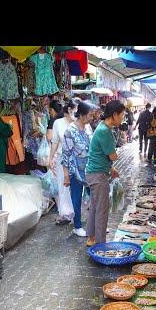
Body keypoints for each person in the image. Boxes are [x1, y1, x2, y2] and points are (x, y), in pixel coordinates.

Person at [85, 100, 124, 247]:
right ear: (114, 115)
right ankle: (101, 244)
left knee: (95, 206)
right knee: (101, 209)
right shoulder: (104, 131)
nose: (122, 118)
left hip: (95, 172)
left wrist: (111, 168)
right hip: (97, 175)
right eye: (121, 115)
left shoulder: (103, 128)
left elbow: (102, 154)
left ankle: (92, 238)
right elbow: (113, 156)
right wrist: (113, 160)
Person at [62, 101, 93, 237]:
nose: (92, 118)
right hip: (75, 171)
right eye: (90, 115)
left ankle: (94, 224)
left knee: (93, 197)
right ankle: (77, 226)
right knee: (76, 198)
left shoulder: (88, 128)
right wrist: (66, 175)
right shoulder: (70, 131)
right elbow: (66, 154)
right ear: (82, 115)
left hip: (89, 169)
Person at [48, 101, 76, 225]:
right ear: (68, 110)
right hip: (61, 159)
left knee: (76, 187)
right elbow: (55, 142)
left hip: (77, 159)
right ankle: (65, 214)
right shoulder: (58, 123)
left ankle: (76, 212)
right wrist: (51, 157)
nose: (76, 113)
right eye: (74, 110)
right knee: (63, 186)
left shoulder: (79, 123)